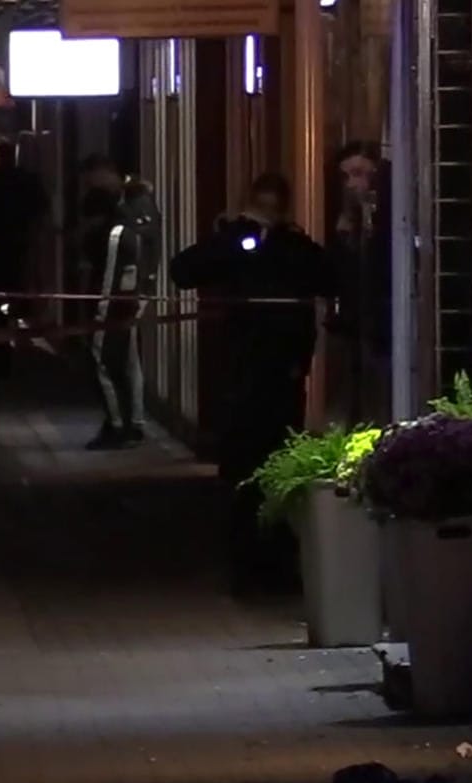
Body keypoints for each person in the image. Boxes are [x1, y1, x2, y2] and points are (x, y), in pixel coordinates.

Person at [170, 173, 335, 595]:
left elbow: (327, 275)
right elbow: (184, 270)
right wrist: (234, 234)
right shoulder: (248, 244)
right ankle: (257, 562)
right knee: (252, 469)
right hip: (257, 372)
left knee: (263, 468)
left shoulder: (288, 246)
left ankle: (266, 560)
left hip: (273, 372)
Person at [76, 154, 160, 449]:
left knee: (103, 356)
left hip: (120, 293)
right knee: (128, 359)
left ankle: (117, 423)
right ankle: (132, 422)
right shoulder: (138, 202)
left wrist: (108, 297)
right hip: (134, 290)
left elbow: (121, 255)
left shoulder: (125, 213)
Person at [326, 141, 393, 424]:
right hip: (353, 321)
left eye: (359, 174)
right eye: (346, 177)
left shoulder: (391, 215)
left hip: (384, 319)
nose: (352, 184)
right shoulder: (339, 217)